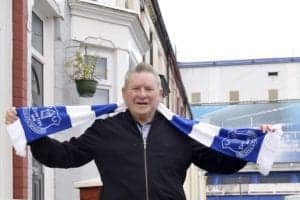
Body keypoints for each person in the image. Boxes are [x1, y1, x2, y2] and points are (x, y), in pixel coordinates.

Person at [5, 63, 273, 200]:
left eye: (149, 89)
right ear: (124, 93)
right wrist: (33, 133)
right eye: (136, 88)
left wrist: (252, 146)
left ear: (159, 94)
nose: (142, 95)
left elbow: (217, 161)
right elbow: (64, 156)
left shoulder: (181, 131)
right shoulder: (104, 129)